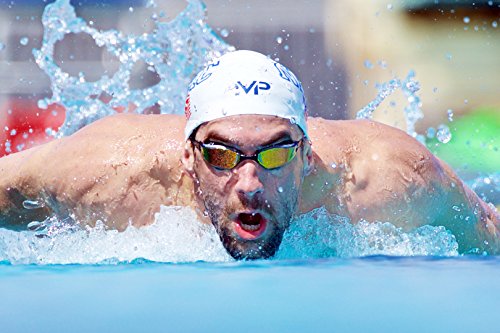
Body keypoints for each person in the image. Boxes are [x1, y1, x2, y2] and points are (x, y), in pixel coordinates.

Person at [0, 50, 498, 259]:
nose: (250, 184)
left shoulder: (389, 178)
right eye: (221, 155)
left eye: (276, 155)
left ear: (306, 155)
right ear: (187, 156)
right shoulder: (105, 173)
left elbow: (491, 239)